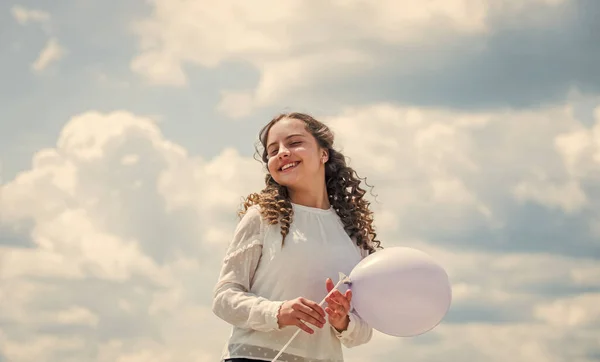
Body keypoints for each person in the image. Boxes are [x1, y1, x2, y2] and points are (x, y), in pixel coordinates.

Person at [212, 112, 382, 362]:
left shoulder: (354, 233)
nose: (282, 152)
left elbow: (364, 330)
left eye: (294, 143)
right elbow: (224, 299)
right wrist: (277, 311)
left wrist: (343, 321)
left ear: (324, 153)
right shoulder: (261, 217)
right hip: (253, 357)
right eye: (272, 150)